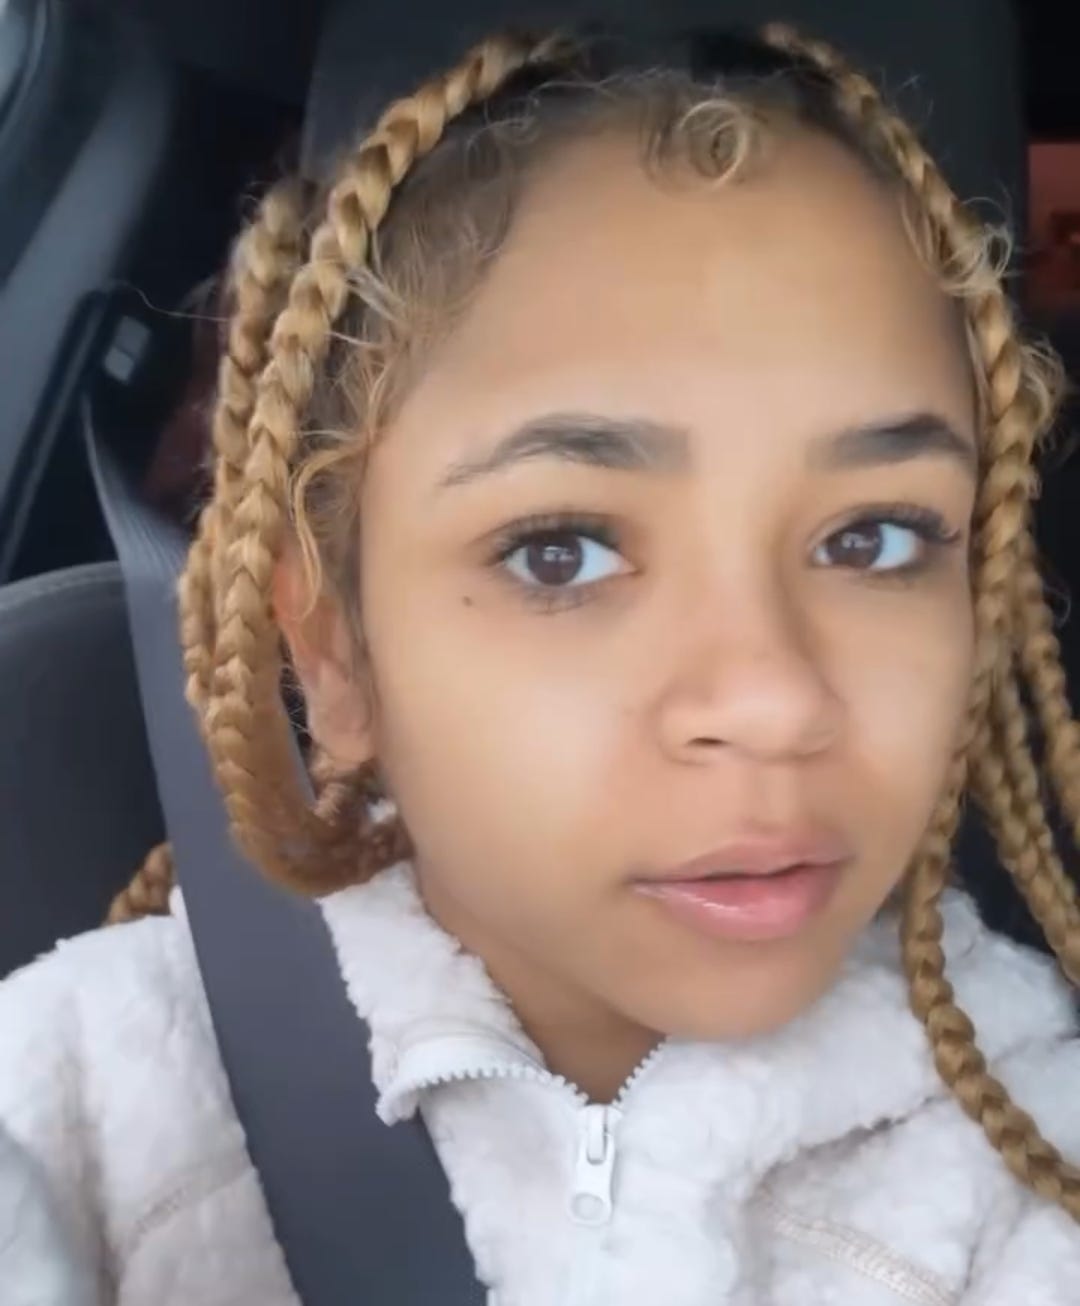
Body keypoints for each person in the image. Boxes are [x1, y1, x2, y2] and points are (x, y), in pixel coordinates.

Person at [3, 21, 1080, 1304]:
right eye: (561, 552)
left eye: (875, 537)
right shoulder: (92, 1110)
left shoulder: (1031, 1147)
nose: (774, 700)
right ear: (335, 651)